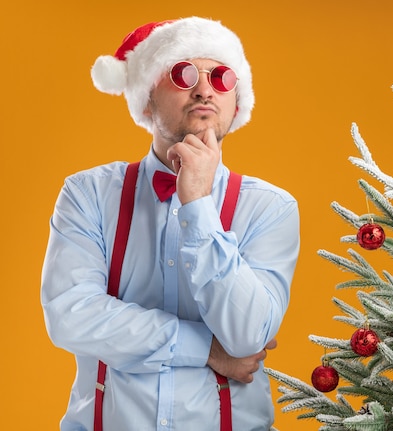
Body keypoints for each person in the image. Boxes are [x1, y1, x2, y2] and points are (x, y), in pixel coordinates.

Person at [41, 17, 300, 431]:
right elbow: (71, 315)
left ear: (237, 102)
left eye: (221, 75)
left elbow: (248, 335)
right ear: (146, 99)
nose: (204, 89)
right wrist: (207, 350)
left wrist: (198, 203)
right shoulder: (87, 194)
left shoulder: (271, 207)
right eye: (183, 74)